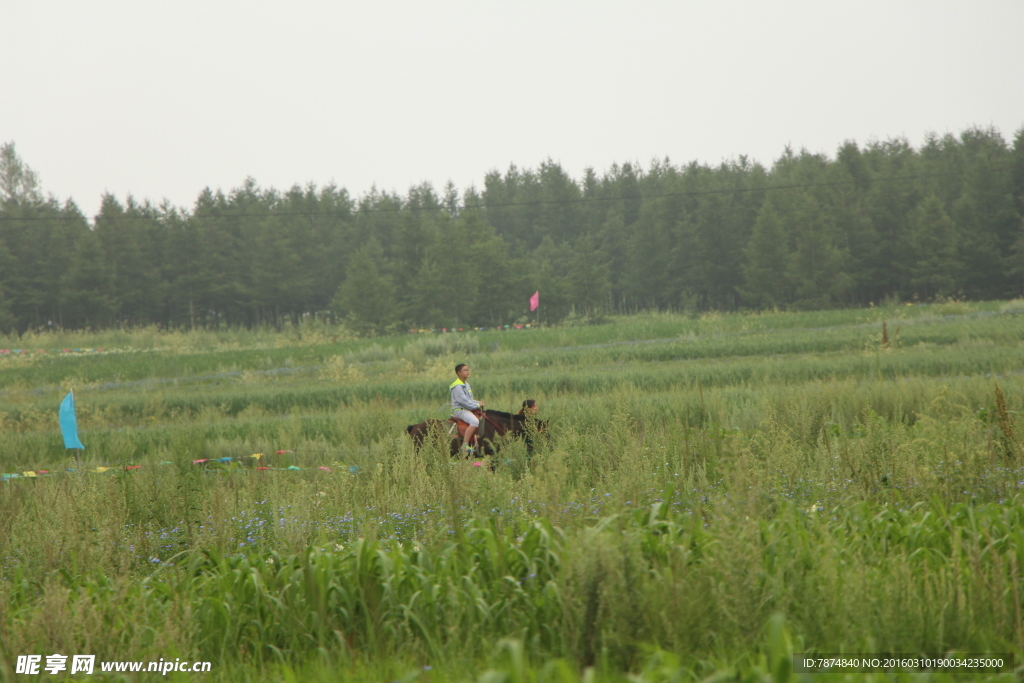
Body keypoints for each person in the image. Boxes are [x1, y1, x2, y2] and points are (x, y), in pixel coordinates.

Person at [450, 363, 485, 453]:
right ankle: (464, 446)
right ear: (459, 373)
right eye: (465, 370)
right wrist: (477, 405)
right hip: (461, 410)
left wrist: (478, 402)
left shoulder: (466, 384)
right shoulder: (457, 386)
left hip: (467, 408)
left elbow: (469, 400)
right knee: (474, 421)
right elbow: (464, 402)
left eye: (468, 370)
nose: (468, 372)